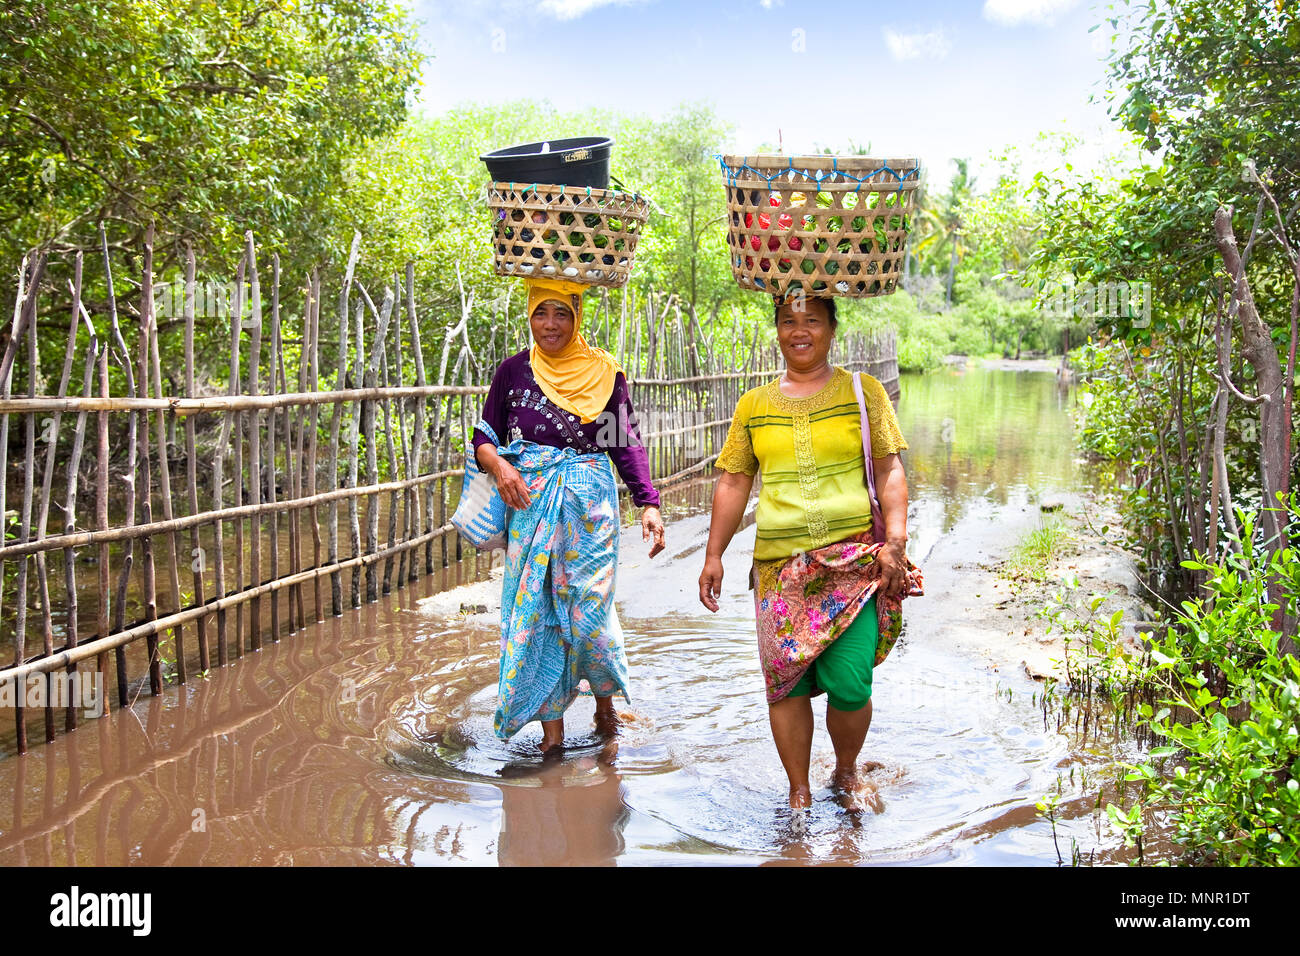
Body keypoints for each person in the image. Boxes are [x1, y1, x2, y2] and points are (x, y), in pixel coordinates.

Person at [698, 293, 921, 810]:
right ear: (776, 330)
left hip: (854, 563)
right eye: (788, 321)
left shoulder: (862, 393)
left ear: (831, 328)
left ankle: (844, 771)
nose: (800, 331)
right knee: (787, 683)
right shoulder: (754, 404)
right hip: (780, 568)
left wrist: (895, 541)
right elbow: (734, 482)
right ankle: (798, 791)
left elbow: (889, 470)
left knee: (851, 678)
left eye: (811, 321)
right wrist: (715, 554)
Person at [473, 276, 666, 754]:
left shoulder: (603, 374)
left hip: (589, 506)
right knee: (537, 614)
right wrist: (498, 465)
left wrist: (647, 502)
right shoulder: (513, 373)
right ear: (530, 315)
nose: (551, 324)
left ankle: (605, 705)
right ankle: (552, 734)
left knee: (589, 613)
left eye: (562, 313)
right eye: (542, 312)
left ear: (577, 316)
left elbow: (623, 442)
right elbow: (482, 435)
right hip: (530, 504)